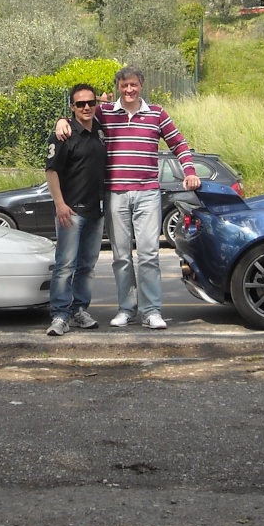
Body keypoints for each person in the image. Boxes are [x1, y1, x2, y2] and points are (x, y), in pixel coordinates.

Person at [56, 65, 199, 330]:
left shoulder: (157, 114)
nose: (129, 90)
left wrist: (189, 172)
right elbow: (80, 113)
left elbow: (179, 143)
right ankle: (126, 309)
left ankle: (151, 310)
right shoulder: (106, 112)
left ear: (141, 86)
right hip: (115, 194)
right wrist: (61, 120)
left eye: (133, 85)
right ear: (118, 88)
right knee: (121, 257)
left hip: (147, 194)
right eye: (124, 86)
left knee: (148, 254)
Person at [43, 83, 107, 337]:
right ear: (72, 107)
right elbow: (51, 171)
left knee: (87, 266)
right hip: (71, 211)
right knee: (65, 265)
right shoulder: (63, 135)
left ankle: (79, 310)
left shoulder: (101, 132)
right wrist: (59, 204)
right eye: (80, 104)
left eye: (90, 102)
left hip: (96, 211)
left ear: (96, 104)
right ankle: (60, 315)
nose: (86, 107)